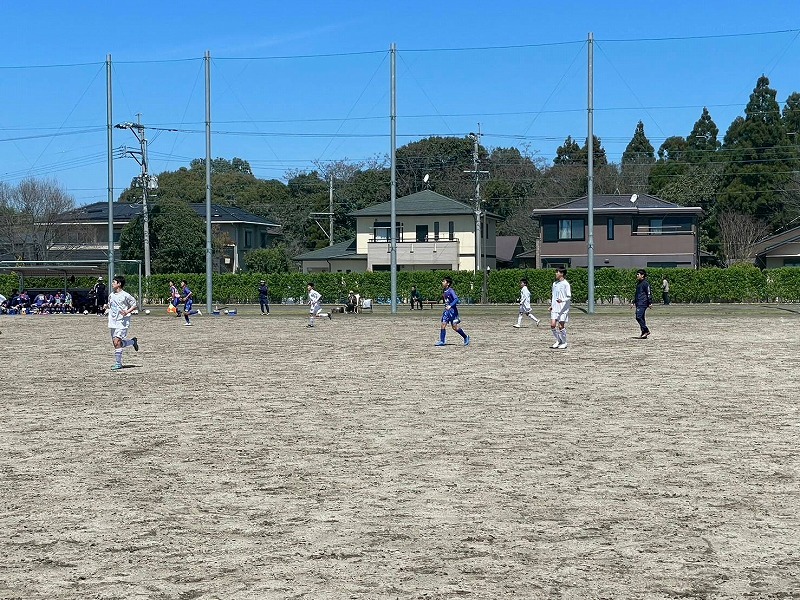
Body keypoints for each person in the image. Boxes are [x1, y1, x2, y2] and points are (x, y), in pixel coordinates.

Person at [105, 275, 139, 371]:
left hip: (122, 321)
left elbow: (134, 304)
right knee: (117, 344)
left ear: (119, 284)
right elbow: (110, 305)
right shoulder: (111, 295)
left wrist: (127, 312)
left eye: (114, 282)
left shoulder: (125, 295)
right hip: (113, 321)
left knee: (117, 342)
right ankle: (133, 342)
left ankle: (118, 363)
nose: (112, 284)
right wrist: (106, 306)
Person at [435, 276, 470, 347]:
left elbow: (456, 299)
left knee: (454, 327)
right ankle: (442, 341)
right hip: (446, 312)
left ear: (448, 283)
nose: (442, 282)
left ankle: (465, 337)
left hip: (453, 312)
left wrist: (450, 305)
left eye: (444, 281)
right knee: (443, 325)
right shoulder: (444, 290)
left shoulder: (451, 291)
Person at [550, 268, 571, 349]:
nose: (556, 274)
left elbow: (569, 297)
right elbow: (553, 295)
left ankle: (564, 342)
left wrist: (562, 300)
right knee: (552, 325)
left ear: (562, 273)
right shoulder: (554, 283)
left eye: (557, 272)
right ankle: (558, 340)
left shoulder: (566, 284)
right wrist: (552, 305)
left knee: (561, 326)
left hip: (563, 308)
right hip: (555, 307)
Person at [632, 269, 653, 338]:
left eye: (638, 274)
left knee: (638, 317)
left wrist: (650, 302)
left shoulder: (645, 283)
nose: (637, 275)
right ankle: (643, 333)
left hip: (643, 303)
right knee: (642, 318)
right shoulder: (638, 283)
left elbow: (648, 293)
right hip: (638, 302)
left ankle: (646, 330)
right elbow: (637, 294)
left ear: (642, 275)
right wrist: (633, 302)